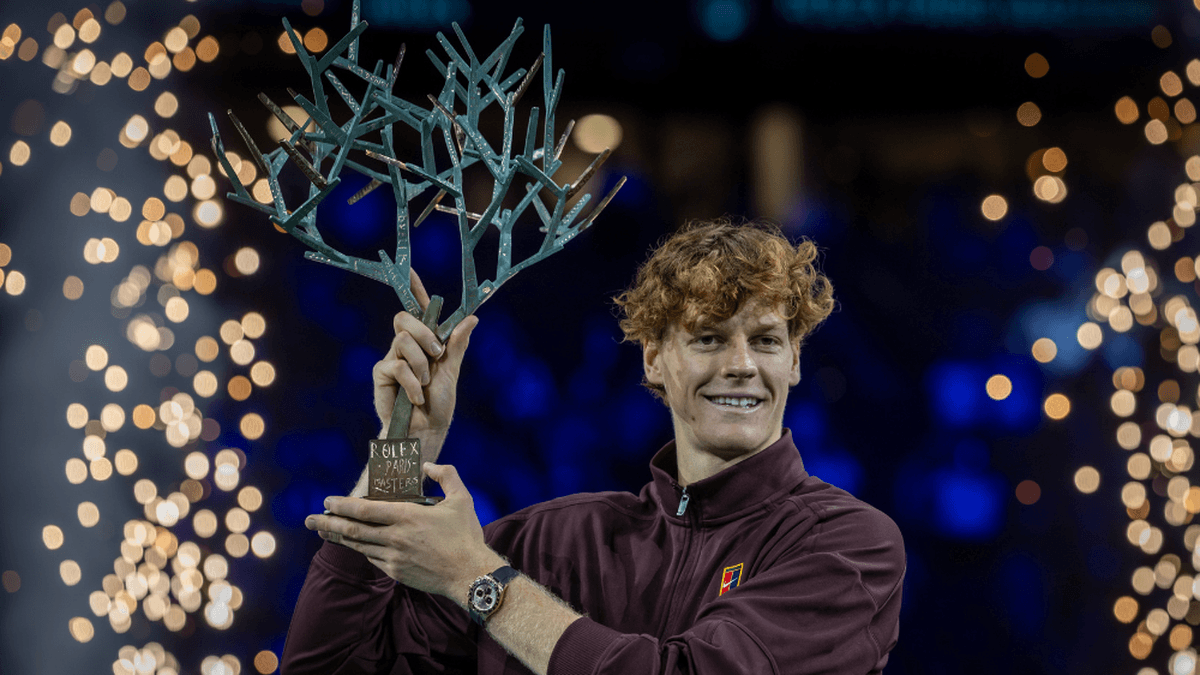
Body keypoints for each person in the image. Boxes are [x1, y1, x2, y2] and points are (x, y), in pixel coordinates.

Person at [284, 219, 905, 675]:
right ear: (655, 359)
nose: (742, 365)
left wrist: (476, 578)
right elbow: (333, 665)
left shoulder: (849, 546)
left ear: (795, 360)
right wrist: (406, 450)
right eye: (710, 339)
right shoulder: (552, 542)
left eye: (767, 341)